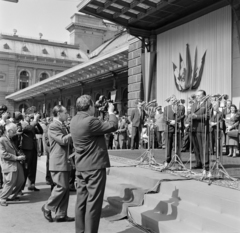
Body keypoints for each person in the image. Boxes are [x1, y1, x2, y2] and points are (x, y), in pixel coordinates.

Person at [70, 95, 118, 233]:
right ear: (90, 106)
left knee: (81, 203)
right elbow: (113, 126)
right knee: (93, 205)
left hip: (81, 167)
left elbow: (97, 127)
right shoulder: (90, 121)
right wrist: (111, 112)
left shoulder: (75, 120)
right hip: (94, 167)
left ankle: (80, 231)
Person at [42, 105, 74, 222]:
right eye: (66, 112)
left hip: (64, 160)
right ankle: (47, 207)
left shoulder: (61, 125)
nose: (67, 115)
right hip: (58, 161)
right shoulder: (53, 125)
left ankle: (61, 214)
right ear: (59, 113)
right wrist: (74, 132)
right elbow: (63, 140)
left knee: (65, 190)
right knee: (61, 187)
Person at [0, 123, 25, 206]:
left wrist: (20, 156)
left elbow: (14, 149)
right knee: (10, 181)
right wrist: (17, 158)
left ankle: (11, 195)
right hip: (9, 163)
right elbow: (3, 154)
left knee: (21, 180)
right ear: (9, 131)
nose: (15, 133)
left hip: (15, 162)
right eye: (13, 131)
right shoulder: (2, 140)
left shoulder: (10, 138)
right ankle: (2, 198)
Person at [190, 90, 211, 172]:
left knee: (204, 147)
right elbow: (191, 114)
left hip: (203, 128)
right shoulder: (194, 104)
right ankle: (198, 163)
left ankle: (205, 164)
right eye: (196, 95)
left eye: (199, 95)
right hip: (194, 128)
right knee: (196, 147)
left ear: (203, 95)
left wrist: (196, 116)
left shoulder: (208, 104)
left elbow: (208, 115)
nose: (197, 97)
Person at [20, 113, 43, 191]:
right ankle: (21, 187)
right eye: (27, 116)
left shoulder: (32, 124)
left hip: (33, 148)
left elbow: (40, 131)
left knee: (33, 167)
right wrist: (35, 121)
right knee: (26, 168)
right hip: (26, 149)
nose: (29, 118)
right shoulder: (21, 123)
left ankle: (31, 185)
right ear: (24, 116)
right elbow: (26, 129)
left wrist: (37, 122)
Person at [163, 96, 185, 166]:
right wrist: (170, 122)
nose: (173, 101)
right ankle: (167, 159)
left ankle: (178, 159)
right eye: (172, 100)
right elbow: (164, 118)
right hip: (169, 128)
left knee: (177, 145)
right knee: (168, 145)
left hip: (177, 128)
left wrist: (175, 121)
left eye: (175, 100)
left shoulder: (180, 108)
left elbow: (182, 116)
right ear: (170, 101)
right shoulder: (166, 108)